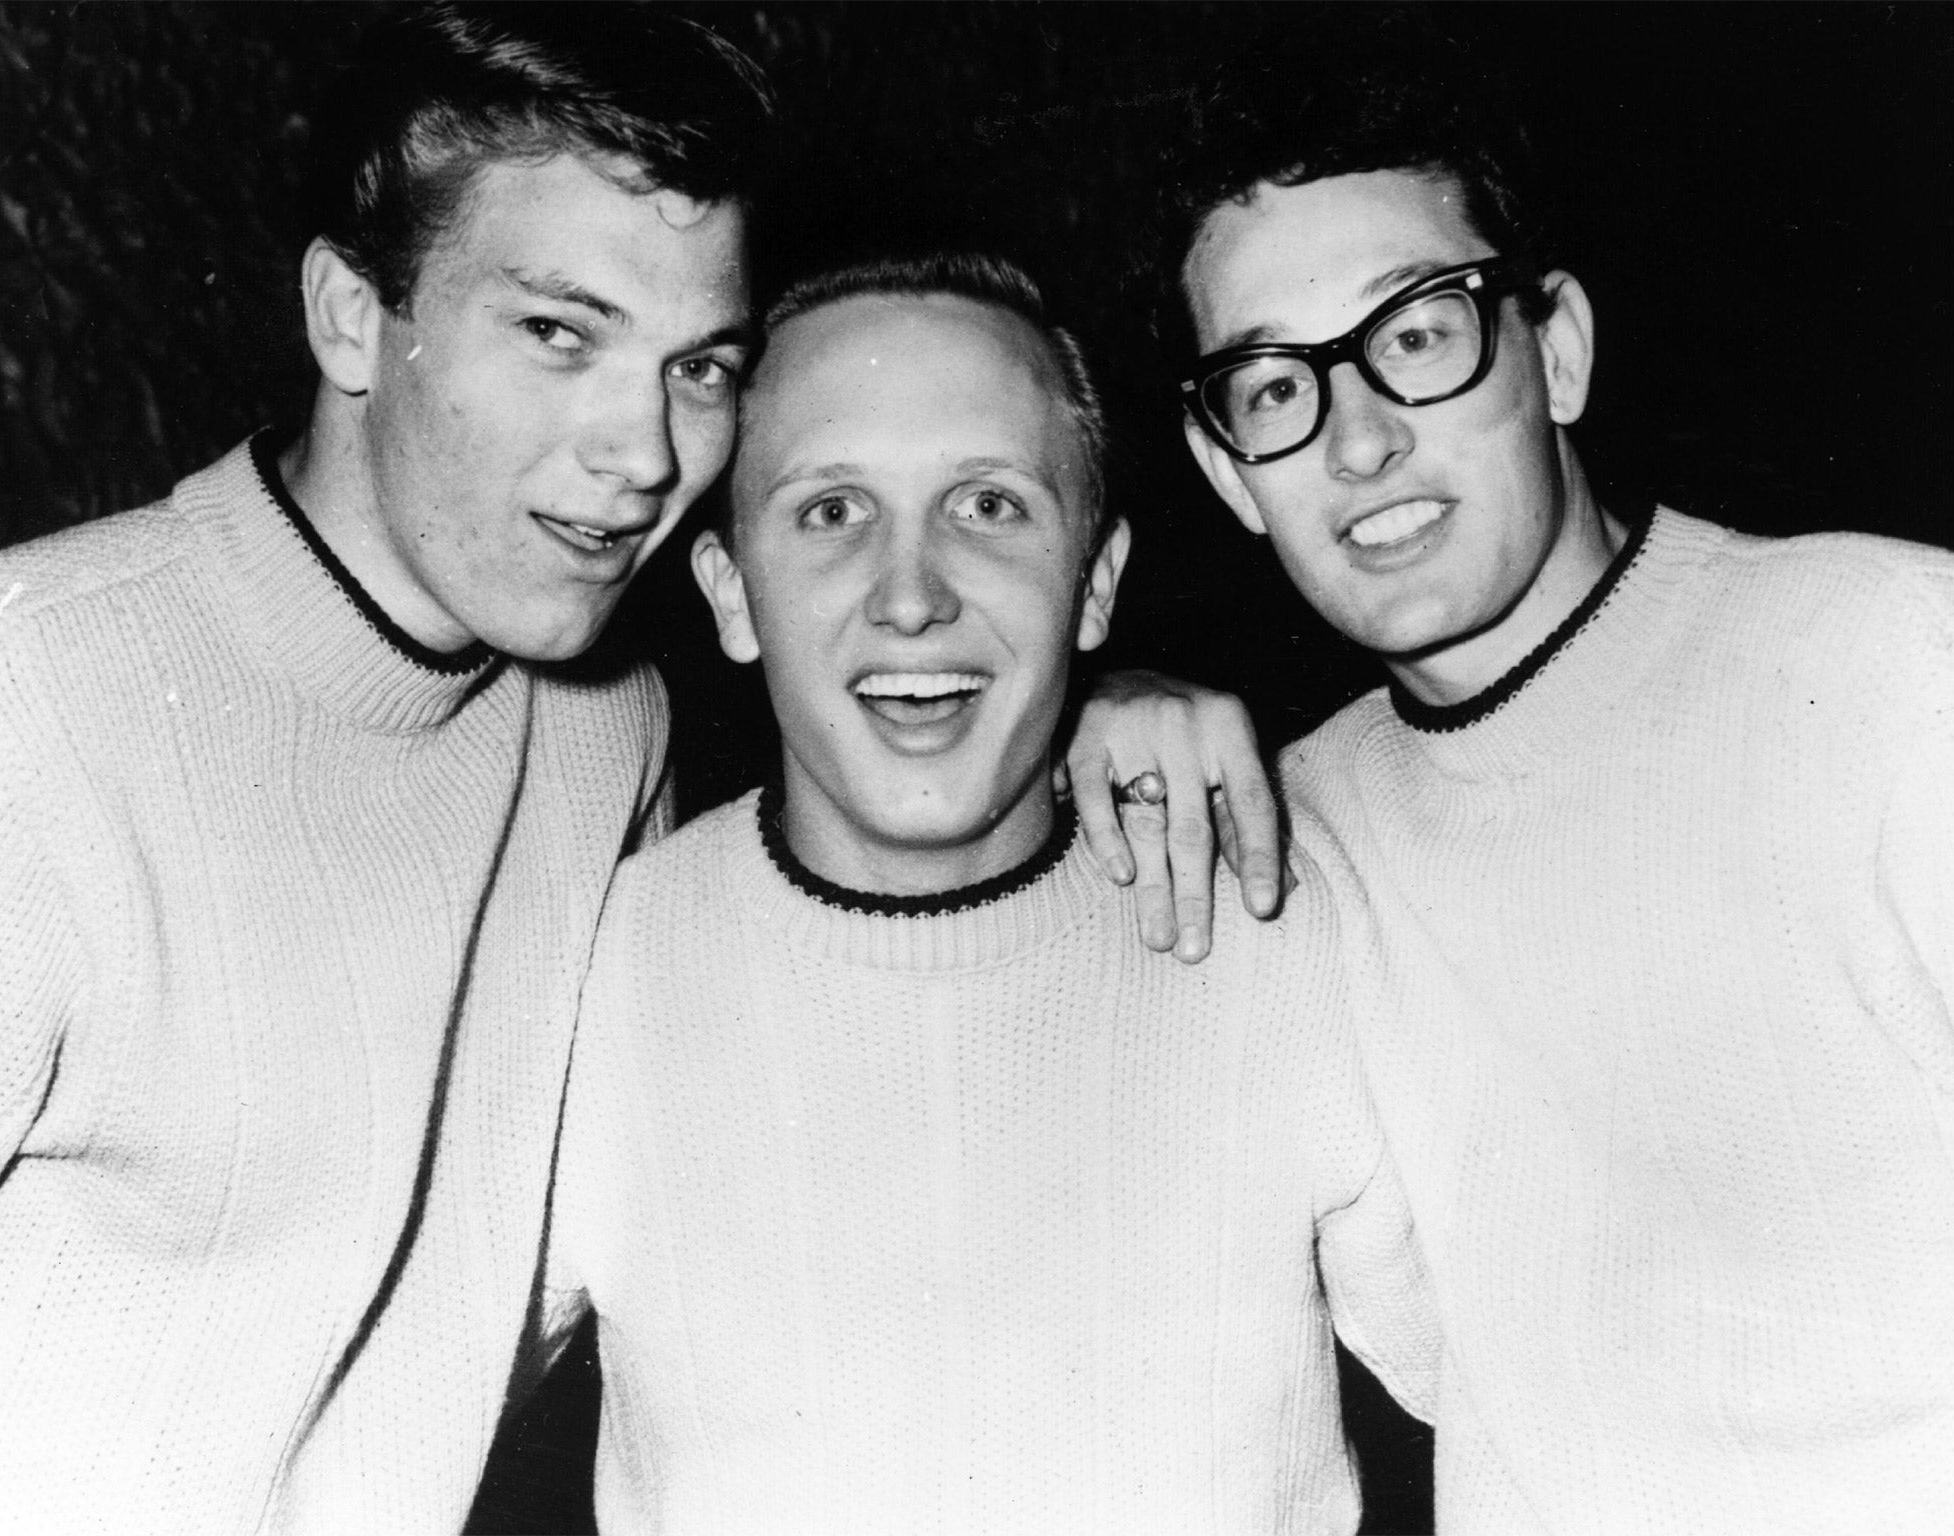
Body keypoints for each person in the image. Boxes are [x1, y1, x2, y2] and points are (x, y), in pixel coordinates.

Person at [1073, 27, 1954, 1535]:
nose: (1356, 439)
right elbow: (1421, 1349)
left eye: (1415, 334)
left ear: (1557, 350)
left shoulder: (1887, 652)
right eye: (1274, 388)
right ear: (1228, 472)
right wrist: (1090, 704)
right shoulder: (1288, 833)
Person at [0, 7, 767, 1530]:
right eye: (558, 334)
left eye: (700, 366)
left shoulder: (608, 723)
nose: (644, 451)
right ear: (351, 317)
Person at [538, 252, 1436, 1534]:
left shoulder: (1279, 915)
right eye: (831, 512)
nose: (911, 598)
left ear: (1098, 583)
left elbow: (1541, 1374)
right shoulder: (593, 967)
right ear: (731, 594)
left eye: (989, 506)